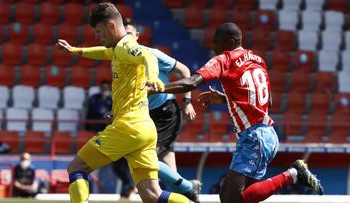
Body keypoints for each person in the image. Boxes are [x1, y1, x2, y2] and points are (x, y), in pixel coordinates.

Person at [150, 22, 324, 203]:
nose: (215, 48)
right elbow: (267, 101)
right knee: (235, 196)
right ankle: (294, 174)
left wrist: (157, 88)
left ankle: (294, 174)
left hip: (254, 137)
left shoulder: (225, 59)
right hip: (265, 134)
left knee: (230, 199)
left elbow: (192, 82)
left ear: (231, 42)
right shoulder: (258, 60)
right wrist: (227, 97)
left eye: (217, 43)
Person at [56, 3, 190, 203]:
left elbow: (147, 56)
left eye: (100, 32)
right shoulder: (118, 48)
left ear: (111, 26)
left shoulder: (126, 46)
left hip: (128, 126)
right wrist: (76, 51)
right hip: (144, 128)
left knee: (76, 168)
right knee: (152, 195)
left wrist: (153, 76)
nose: (98, 37)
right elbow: (103, 52)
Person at [122, 18, 201, 202]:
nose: (126, 38)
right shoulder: (122, 60)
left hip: (166, 113)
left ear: (137, 36)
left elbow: (185, 71)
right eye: (123, 35)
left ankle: (190, 187)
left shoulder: (151, 54)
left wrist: (187, 102)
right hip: (147, 116)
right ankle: (188, 193)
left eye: (129, 34)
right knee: (170, 174)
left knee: (143, 158)